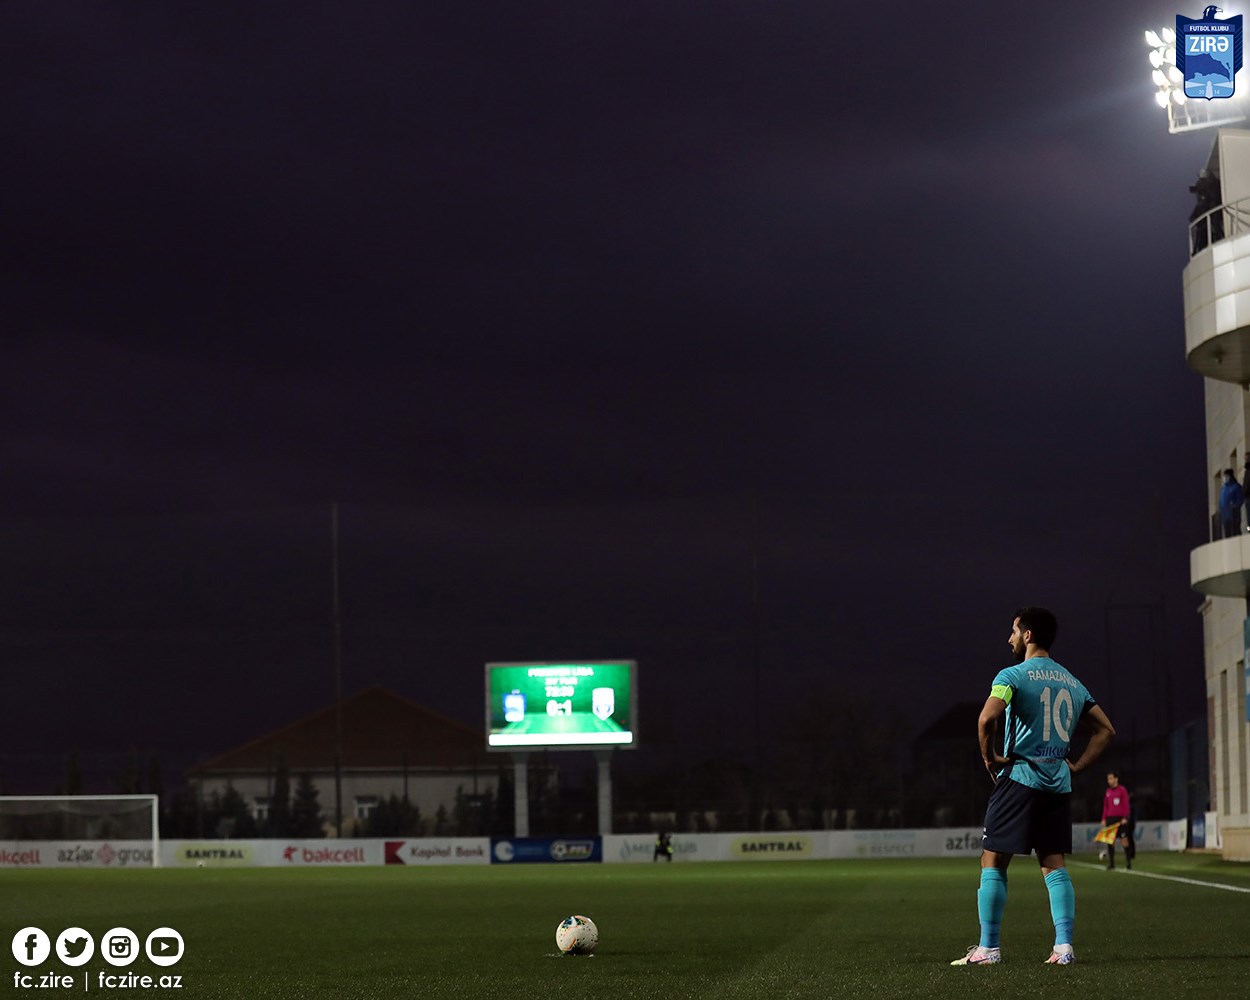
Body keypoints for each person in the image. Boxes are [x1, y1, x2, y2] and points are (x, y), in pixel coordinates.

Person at [951, 607, 1116, 968]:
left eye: (1013, 631)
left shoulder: (1011, 676)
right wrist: (1076, 766)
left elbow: (986, 718)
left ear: (1027, 635)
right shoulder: (1073, 682)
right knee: (1053, 864)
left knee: (993, 859)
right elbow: (1106, 730)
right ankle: (1064, 948)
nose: (1009, 638)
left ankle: (988, 949)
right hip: (1057, 783)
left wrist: (989, 759)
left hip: (1020, 778)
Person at [1101, 771, 1134, 870]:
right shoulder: (1108, 791)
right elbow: (1105, 807)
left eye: (1111, 778)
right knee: (1110, 841)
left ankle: (1128, 863)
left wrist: (1125, 817)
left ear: (1116, 779)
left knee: (1124, 840)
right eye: (1108, 779)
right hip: (1110, 819)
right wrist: (1104, 819)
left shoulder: (1122, 790)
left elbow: (1126, 804)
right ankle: (1112, 864)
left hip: (1121, 819)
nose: (1109, 781)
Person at [1219, 468, 1243, 539]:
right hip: (1225, 516)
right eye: (1224, 476)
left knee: (1235, 533)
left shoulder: (1236, 487)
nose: (1225, 478)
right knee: (1228, 535)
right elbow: (1221, 502)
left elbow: (1240, 500)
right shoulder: (1223, 489)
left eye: (1226, 476)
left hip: (1233, 516)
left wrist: (1234, 506)